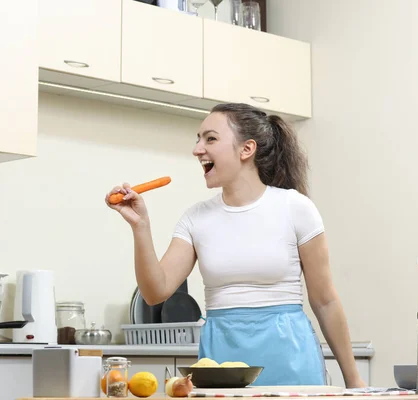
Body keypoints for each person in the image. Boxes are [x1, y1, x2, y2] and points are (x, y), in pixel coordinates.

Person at [105, 103, 366, 388]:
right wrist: (140, 225)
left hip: (291, 358)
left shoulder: (296, 208)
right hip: (220, 362)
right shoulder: (196, 218)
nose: (197, 149)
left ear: (246, 149)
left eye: (210, 138)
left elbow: (325, 301)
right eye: (198, 139)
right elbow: (155, 292)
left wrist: (354, 381)